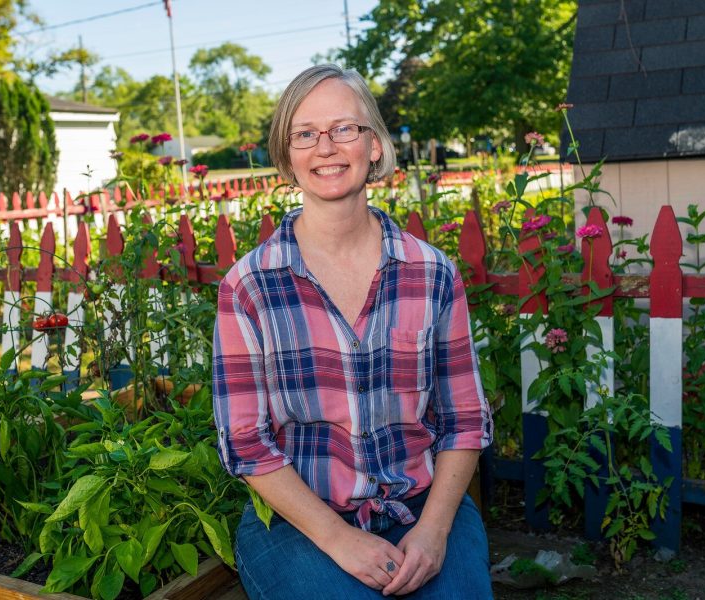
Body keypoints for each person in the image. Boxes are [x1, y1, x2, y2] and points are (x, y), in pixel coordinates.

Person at [212, 64, 494, 599]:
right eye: (305, 134)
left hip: (421, 504)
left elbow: (464, 421)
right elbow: (246, 443)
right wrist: (339, 538)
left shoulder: (432, 274)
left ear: (375, 146)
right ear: (287, 157)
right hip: (300, 519)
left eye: (344, 128)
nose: (326, 147)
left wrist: (433, 533)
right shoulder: (248, 287)